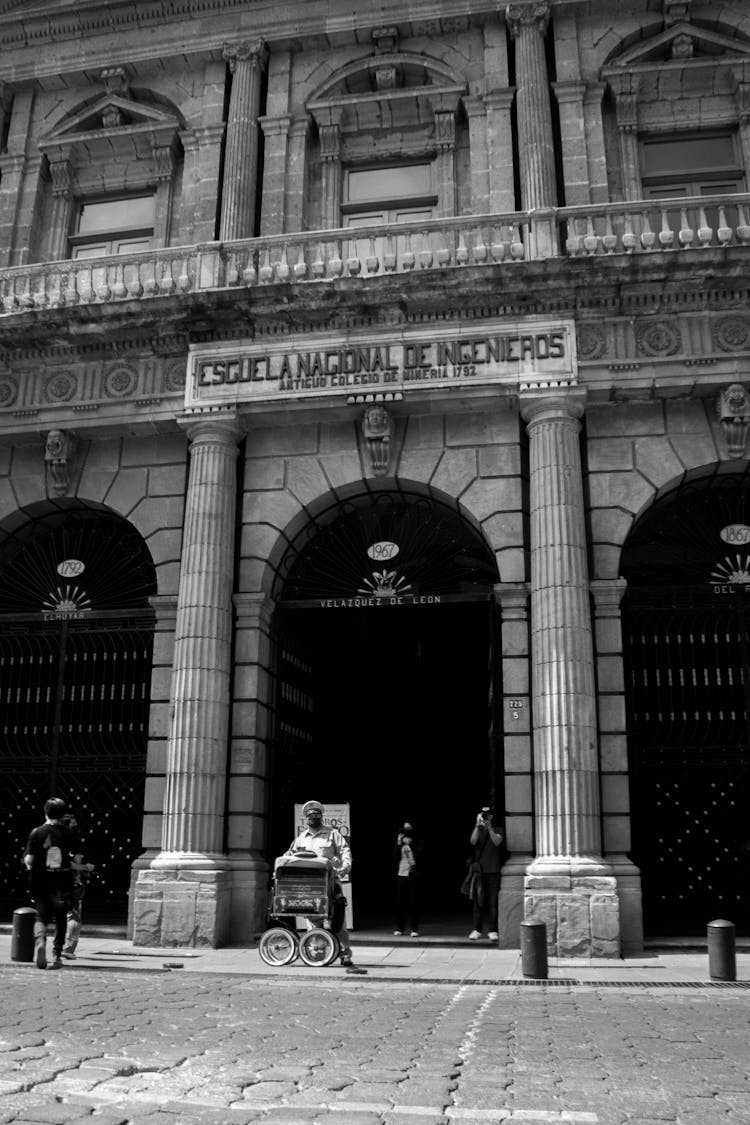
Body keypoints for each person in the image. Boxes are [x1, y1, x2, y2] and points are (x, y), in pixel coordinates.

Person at [285, 800, 354, 967]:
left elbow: (345, 850)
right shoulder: (301, 838)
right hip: (310, 885)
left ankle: (345, 953)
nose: (312, 818)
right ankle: (317, 953)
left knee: (337, 921)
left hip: (331, 884)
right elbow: (289, 854)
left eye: (316, 815)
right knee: (313, 919)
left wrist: (345, 867)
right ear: (306, 819)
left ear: (321, 817)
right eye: (309, 816)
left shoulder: (333, 834)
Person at [23, 797, 76, 970]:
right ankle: (57, 955)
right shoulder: (68, 833)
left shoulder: (36, 832)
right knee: (61, 918)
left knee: (41, 916)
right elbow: (73, 859)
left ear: (45, 812)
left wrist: (27, 861)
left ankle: (40, 941)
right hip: (62, 882)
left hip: (40, 881)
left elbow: (30, 860)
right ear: (62, 815)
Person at [60, 812, 95, 961]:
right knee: (74, 916)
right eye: (73, 824)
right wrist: (87, 867)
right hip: (73, 884)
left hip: (56, 881)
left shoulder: (55, 839)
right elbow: (75, 863)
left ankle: (57, 947)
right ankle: (68, 948)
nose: (76, 827)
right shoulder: (73, 841)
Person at [468, 806, 504, 941]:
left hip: (493, 871)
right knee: (478, 903)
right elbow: (472, 841)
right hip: (479, 872)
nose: (485, 818)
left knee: (492, 903)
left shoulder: (498, 829)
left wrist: (490, 828)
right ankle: (477, 930)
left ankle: (493, 930)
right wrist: (477, 825)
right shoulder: (478, 830)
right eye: (483, 815)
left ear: (492, 817)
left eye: (488, 815)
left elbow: (497, 842)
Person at [393, 821, 421, 937]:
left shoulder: (418, 840)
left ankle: (414, 929)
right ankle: (400, 928)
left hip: (413, 874)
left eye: (409, 830)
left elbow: (420, 853)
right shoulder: (400, 842)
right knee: (401, 901)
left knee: (413, 901)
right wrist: (399, 843)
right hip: (401, 874)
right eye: (404, 830)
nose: (406, 832)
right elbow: (394, 857)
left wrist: (411, 844)